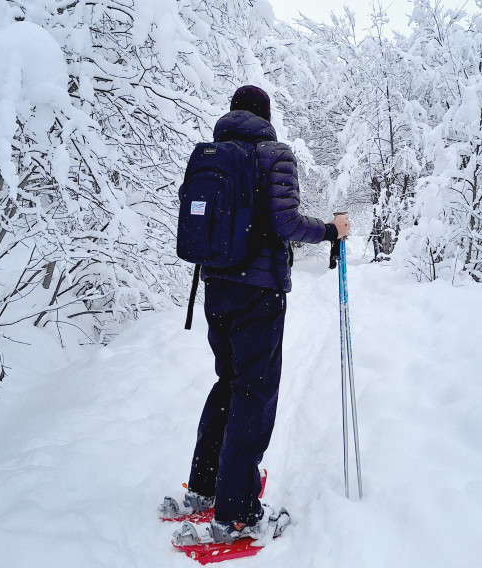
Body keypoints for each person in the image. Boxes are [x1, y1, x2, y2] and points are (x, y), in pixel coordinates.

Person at [178, 85, 349, 542]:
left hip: (215, 286)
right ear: (265, 115)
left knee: (228, 383)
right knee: (254, 391)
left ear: (233, 113)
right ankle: (237, 513)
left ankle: (204, 487)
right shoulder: (275, 154)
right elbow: (286, 223)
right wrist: (331, 231)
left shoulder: (208, 154)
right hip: (259, 292)